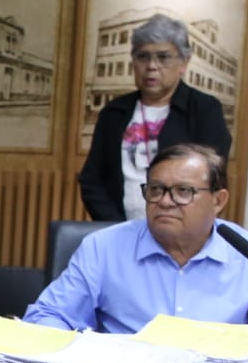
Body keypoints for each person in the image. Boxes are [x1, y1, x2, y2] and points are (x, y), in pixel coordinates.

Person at [26, 143, 248, 359]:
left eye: (184, 191)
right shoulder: (104, 248)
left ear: (219, 200)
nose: (165, 201)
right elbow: (46, 317)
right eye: (156, 189)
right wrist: (88, 355)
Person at [79, 13, 233, 222]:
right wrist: (115, 228)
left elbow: (211, 179)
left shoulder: (204, 110)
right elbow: (92, 180)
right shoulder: (113, 112)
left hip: (180, 227)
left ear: (184, 62)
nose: (151, 66)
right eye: (143, 56)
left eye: (163, 57)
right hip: (118, 228)